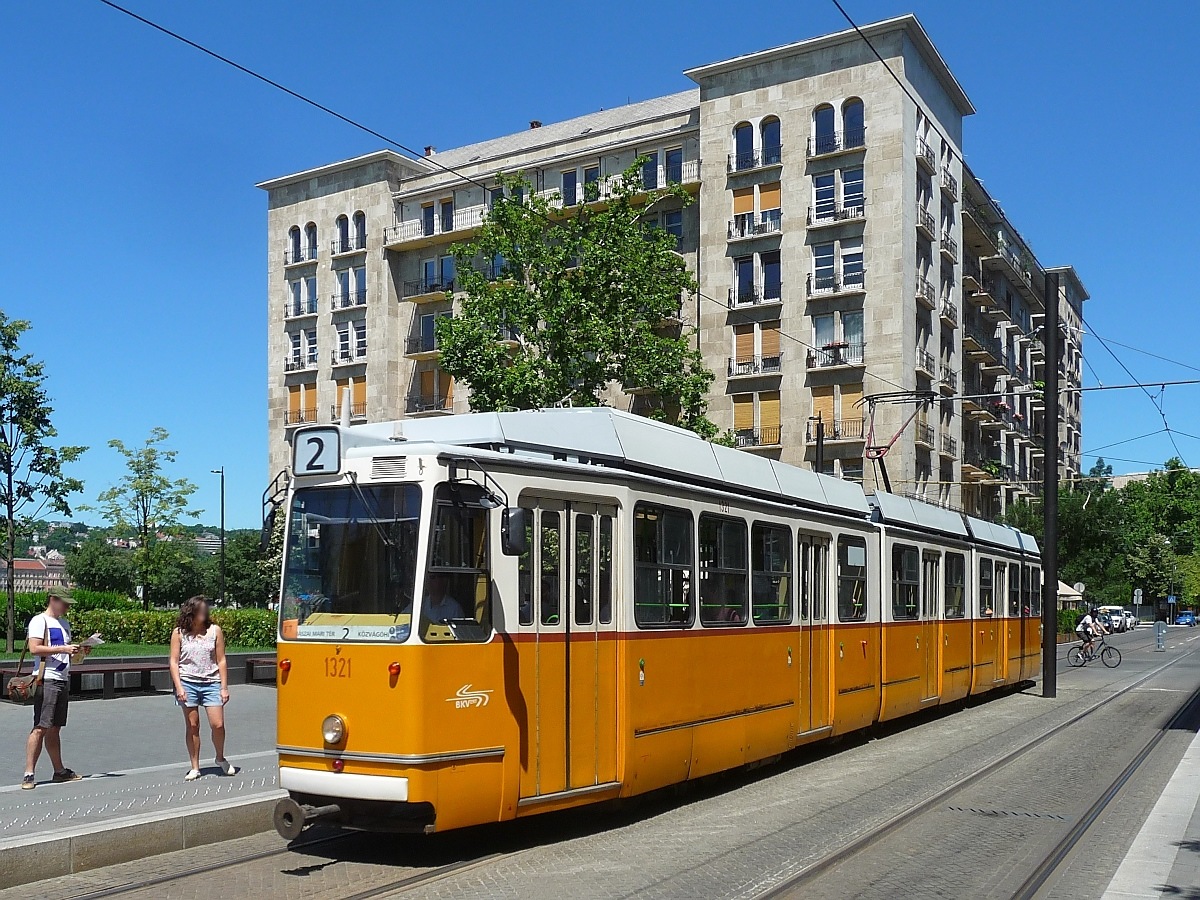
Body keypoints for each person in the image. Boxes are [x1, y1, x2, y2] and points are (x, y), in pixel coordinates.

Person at [22, 588, 89, 790]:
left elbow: (66, 655)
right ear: (53, 600)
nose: (68, 607)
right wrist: (63, 649)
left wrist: (80, 651)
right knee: (41, 726)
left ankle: (59, 771)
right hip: (47, 679)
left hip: (62, 678)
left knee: (55, 727)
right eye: (65, 603)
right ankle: (28, 773)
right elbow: (34, 648)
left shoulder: (63, 624)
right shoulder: (39, 621)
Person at [169, 596, 235, 782]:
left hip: (211, 682)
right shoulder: (179, 633)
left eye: (206, 609)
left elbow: (221, 659)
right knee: (192, 726)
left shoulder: (214, 631)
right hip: (187, 682)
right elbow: (174, 662)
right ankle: (195, 767)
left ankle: (220, 757)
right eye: (201, 610)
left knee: (218, 724)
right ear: (191, 612)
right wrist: (179, 687)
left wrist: (224, 687)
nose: (204, 613)